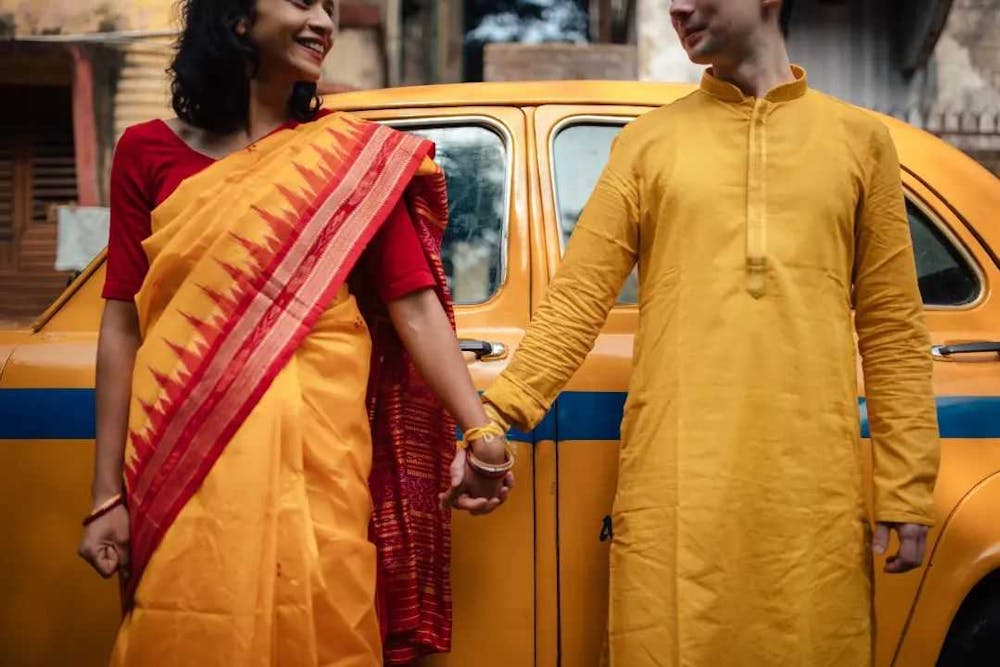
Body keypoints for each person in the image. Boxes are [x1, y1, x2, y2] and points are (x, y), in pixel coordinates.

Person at [470, 0, 940, 664]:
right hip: (677, 498)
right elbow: (575, 303)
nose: (677, 8)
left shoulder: (860, 144)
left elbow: (892, 328)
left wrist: (905, 487)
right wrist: (495, 416)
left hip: (810, 502)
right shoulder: (647, 144)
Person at [76, 0, 513, 664]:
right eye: (304, 2)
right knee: (190, 612)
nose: (325, 23)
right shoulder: (147, 151)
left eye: (332, 8)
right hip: (186, 444)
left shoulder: (349, 165)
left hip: (320, 452)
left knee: (322, 607)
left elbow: (415, 307)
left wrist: (480, 430)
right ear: (238, 19)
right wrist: (107, 493)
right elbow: (121, 325)